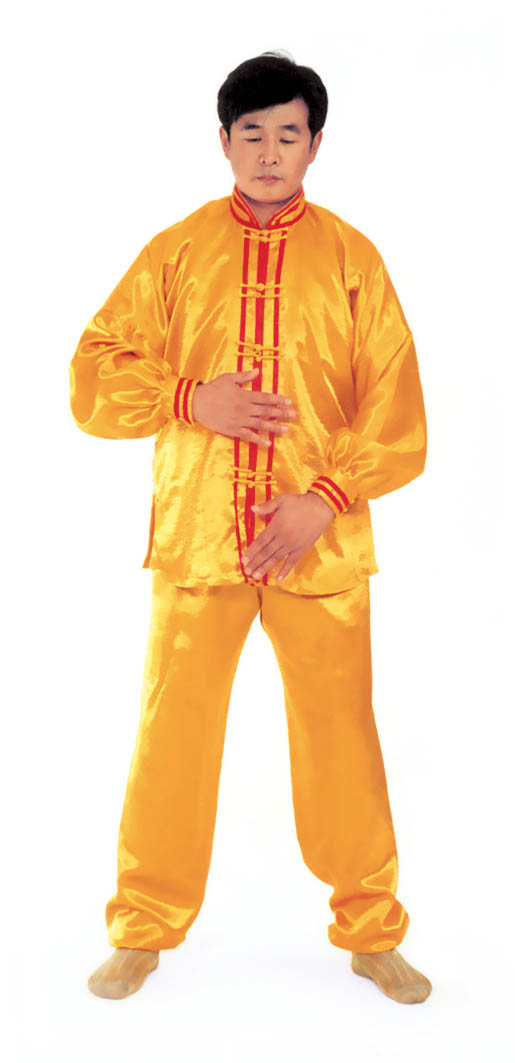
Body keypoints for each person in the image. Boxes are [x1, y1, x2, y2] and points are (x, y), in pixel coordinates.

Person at [69, 50, 431, 1005]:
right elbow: (93, 373)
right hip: (198, 542)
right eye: (252, 133)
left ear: (316, 145)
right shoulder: (176, 251)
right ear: (223, 142)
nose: (270, 151)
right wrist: (190, 397)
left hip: (320, 543)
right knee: (171, 736)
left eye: (288, 134)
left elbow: (397, 412)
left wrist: (324, 496)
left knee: (341, 739)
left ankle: (370, 928)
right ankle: (143, 927)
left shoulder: (352, 259)